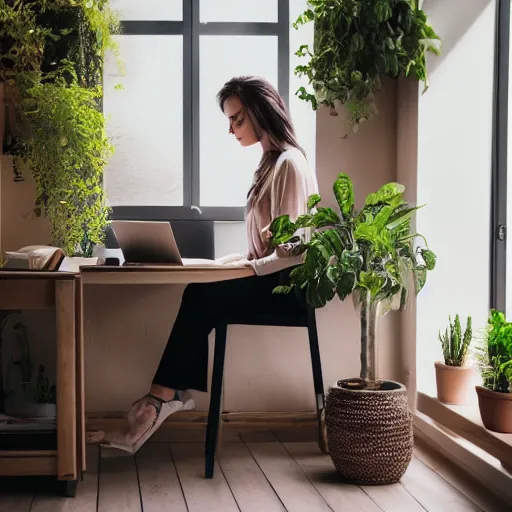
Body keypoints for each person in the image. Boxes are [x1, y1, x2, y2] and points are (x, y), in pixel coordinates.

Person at [87, 76, 318, 453]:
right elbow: (261, 250)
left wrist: (242, 270)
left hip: (288, 289)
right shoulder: (270, 164)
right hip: (270, 280)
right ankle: (165, 398)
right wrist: (222, 264)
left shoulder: (290, 164)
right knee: (200, 290)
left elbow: (293, 251)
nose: (231, 130)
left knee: (200, 296)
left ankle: (160, 401)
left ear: (260, 113)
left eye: (237, 119)